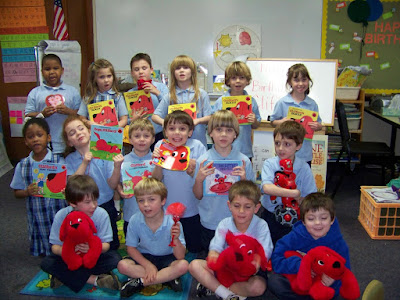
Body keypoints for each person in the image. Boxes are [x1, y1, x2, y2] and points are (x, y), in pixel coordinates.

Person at [189, 180, 273, 300]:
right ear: (229, 206)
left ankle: (216, 288)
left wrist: (258, 260)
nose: (241, 211)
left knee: (259, 287)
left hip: (249, 271)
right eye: (236, 206)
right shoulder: (225, 224)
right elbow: (216, 244)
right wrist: (214, 253)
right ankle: (227, 294)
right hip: (226, 268)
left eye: (247, 207)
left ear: (256, 208)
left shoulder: (261, 225)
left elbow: (266, 248)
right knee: (194, 265)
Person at [40, 175, 121, 293]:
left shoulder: (101, 214)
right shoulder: (62, 215)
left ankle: (65, 277)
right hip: (71, 258)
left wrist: (91, 248)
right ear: (73, 203)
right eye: (87, 202)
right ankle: (94, 279)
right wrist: (69, 251)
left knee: (115, 259)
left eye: (95, 200)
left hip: (92, 257)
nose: (93, 205)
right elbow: (55, 247)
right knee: (47, 263)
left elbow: (106, 245)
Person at [268, 192, 352, 300]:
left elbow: (346, 272)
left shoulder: (339, 244)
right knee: (274, 281)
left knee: (341, 294)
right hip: (298, 284)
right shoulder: (294, 237)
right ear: (303, 221)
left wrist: (333, 279)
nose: (317, 223)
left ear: (332, 219)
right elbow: (276, 260)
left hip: (323, 288)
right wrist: (300, 266)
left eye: (323, 218)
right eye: (311, 219)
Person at [193, 110, 255, 251]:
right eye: (218, 129)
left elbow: (252, 198)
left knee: (235, 261)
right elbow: (197, 195)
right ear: (211, 133)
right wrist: (198, 179)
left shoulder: (244, 161)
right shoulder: (202, 161)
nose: (223, 134)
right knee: (212, 263)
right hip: (209, 222)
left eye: (228, 130)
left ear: (235, 135)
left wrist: (244, 180)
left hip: (236, 222)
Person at [117, 178, 189, 298]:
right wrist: (148, 265)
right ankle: (165, 278)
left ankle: (140, 282)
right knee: (122, 265)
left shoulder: (173, 222)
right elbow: (131, 248)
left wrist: (175, 239)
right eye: (141, 200)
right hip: (144, 258)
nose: (146, 205)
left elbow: (180, 256)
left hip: (167, 258)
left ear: (163, 200)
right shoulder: (134, 220)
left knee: (183, 265)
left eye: (151, 199)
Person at [62, 115, 124, 250]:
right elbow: (71, 187)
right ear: (69, 142)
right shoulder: (69, 160)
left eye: (81, 129)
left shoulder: (105, 153)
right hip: (81, 209)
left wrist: (117, 167)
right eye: (72, 133)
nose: (78, 133)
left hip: (106, 204)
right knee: (84, 240)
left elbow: (112, 185)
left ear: (90, 131)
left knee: (110, 243)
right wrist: (84, 162)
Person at [10, 118, 67, 256]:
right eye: (30, 137)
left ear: (48, 137)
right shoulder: (22, 165)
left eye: (39, 135)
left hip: (58, 209)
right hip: (37, 212)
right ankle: (45, 252)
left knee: (62, 235)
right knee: (43, 237)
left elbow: (68, 184)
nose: (35, 139)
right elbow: (16, 193)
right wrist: (27, 192)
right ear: (25, 141)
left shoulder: (59, 160)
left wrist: (66, 190)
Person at [152, 110, 207, 253]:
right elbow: (156, 179)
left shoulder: (197, 146)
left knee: (194, 246)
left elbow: (203, 180)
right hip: (166, 209)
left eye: (182, 129)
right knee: (170, 246)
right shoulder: (161, 145)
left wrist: (192, 172)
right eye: (171, 128)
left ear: (190, 132)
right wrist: (158, 162)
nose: (177, 133)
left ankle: (189, 269)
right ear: (165, 131)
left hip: (192, 208)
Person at [261, 121, 317, 245]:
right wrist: (293, 193)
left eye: (287, 144)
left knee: (290, 247)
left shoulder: (303, 167)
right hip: (270, 215)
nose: (280, 148)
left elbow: (310, 196)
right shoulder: (270, 164)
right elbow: (266, 188)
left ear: (298, 146)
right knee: (269, 246)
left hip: (294, 216)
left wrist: (301, 200)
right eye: (277, 143)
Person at [25, 54, 81, 157]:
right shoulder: (35, 93)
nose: (51, 72)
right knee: (47, 172)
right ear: (42, 72)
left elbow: (81, 115)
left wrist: (68, 111)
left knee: (69, 171)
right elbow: (28, 117)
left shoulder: (72, 91)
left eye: (55, 68)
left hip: (69, 142)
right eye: (47, 69)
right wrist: (42, 114)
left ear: (62, 70)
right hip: (43, 145)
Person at [152, 55, 212, 147]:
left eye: (186, 67)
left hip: (197, 144)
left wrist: (197, 121)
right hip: (175, 146)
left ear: (192, 71)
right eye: (178, 68)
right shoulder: (170, 96)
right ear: (173, 73)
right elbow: (155, 117)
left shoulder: (201, 94)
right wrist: (167, 123)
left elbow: (209, 117)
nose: (181, 70)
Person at [270, 63, 323, 165]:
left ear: (308, 81)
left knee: (303, 179)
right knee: (283, 179)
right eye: (296, 80)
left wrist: (318, 126)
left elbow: (319, 125)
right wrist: (281, 122)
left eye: (304, 80)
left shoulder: (312, 104)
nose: (300, 83)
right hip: (285, 153)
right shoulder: (283, 102)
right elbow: (273, 122)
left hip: (305, 154)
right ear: (290, 82)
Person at [213, 61, 261, 159]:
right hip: (222, 151)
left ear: (247, 81)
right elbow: (213, 125)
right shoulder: (220, 102)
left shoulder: (251, 101)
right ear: (228, 81)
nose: (238, 81)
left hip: (244, 151)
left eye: (242, 78)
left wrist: (254, 120)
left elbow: (256, 125)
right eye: (234, 78)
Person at [117, 118, 155, 235]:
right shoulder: (123, 161)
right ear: (130, 139)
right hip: (131, 213)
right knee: (132, 244)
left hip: (154, 214)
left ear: (153, 139)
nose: (142, 140)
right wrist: (120, 190)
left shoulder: (157, 160)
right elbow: (116, 182)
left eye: (146, 136)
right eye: (137, 136)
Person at [128, 53, 169, 147]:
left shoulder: (161, 88)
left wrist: (157, 93)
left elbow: (170, 109)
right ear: (132, 73)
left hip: (159, 134)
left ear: (151, 70)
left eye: (144, 68)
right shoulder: (130, 94)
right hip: (140, 137)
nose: (141, 72)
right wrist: (133, 119)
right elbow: (127, 119)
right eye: (136, 69)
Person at [78, 58, 128, 128]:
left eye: (109, 76)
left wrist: (112, 128)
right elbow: (81, 118)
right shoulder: (88, 98)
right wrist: (88, 123)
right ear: (94, 79)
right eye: (101, 77)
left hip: (113, 134)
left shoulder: (117, 97)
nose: (106, 80)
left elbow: (124, 119)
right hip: (93, 135)